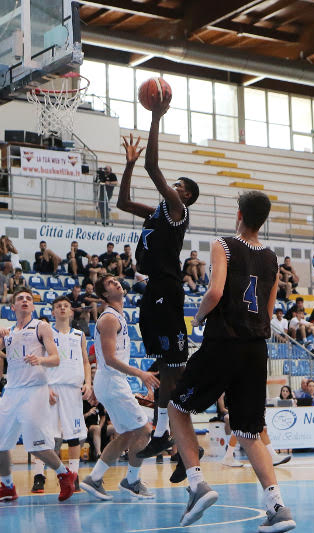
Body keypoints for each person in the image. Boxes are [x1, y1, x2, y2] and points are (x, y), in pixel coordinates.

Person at [167, 191, 295, 531]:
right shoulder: (272, 258)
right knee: (249, 431)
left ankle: (197, 484)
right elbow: (268, 313)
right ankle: (278, 507)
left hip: (225, 342)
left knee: (176, 407)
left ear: (238, 214)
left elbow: (215, 292)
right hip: (256, 349)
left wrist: (197, 318)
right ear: (263, 219)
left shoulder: (223, 245)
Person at [116, 125, 200, 467]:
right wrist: (129, 164)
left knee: (174, 371)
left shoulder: (177, 210)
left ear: (186, 197)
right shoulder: (155, 213)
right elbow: (121, 201)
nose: (174, 188)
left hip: (167, 288)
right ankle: (168, 437)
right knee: (167, 368)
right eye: (174, 185)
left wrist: (154, 117)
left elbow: (155, 168)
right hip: (152, 289)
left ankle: (176, 440)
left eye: (179, 187)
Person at [0, 288, 76, 503]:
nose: (25, 301)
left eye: (29, 299)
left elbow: (55, 359)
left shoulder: (41, 327)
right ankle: (7, 487)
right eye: (20, 299)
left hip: (35, 390)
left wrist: (40, 360)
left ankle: (64, 474)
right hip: (11, 392)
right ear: (12, 307)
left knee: (36, 444)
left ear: (32, 306)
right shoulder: (8, 333)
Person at [79, 275, 157, 501]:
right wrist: (140, 373)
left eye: (116, 281)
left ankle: (94, 478)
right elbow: (110, 359)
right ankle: (131, 481)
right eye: (111, 283)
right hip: (112, 380)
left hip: (111, 381)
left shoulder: (117, 316)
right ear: (104, 295)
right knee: (144, 431)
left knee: (127, 434)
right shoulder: (109, 319)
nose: (117, 283)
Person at [31, 296, 92, 494]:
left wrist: (88, 383)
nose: (63, 308)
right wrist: (43, 386)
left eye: (66, 305)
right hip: (51, 388)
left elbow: (85, 361)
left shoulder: (79, 335)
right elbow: (39, 361)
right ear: (53, 312)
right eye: (59, 306)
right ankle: (39, 475)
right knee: (46, 436)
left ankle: (73, 476)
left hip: (73, 389)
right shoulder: (46, 333)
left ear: (71, 311)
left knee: (74, 436)